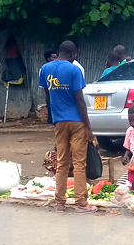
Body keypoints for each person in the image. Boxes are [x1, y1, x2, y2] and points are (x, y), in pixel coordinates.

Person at [42, 40, 96, 214]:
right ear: (72, 54)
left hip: (59, 122)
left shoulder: (45, 69)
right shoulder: (74, 70)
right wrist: (88, 127)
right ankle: (81, 203)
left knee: (62, 161)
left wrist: (57, 113)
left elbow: (48, 95)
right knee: (79, 162)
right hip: (77, 121)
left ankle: (59, 203)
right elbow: (80, 99)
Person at [39, 49, 58, 124]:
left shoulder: (58, 67)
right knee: (51, 110)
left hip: (58, 92)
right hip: (50, 93)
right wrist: (48, 97)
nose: (56, 59)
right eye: (53, 57)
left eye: (56, 57)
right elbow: (44, 86)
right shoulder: (43, 69)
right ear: (48, 59)